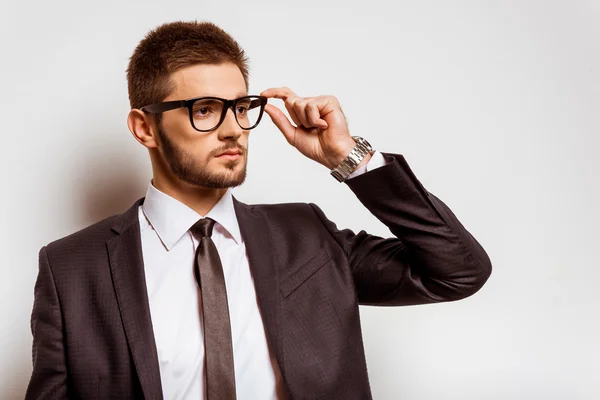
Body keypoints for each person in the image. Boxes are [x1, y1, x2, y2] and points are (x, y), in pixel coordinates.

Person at [25, 20, 492, 400]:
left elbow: (457, 272)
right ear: (144, 127)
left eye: (241, 106)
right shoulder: (71, 268)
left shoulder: (306, 235)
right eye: (205, 109)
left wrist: (349, 158)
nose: (234, 130)